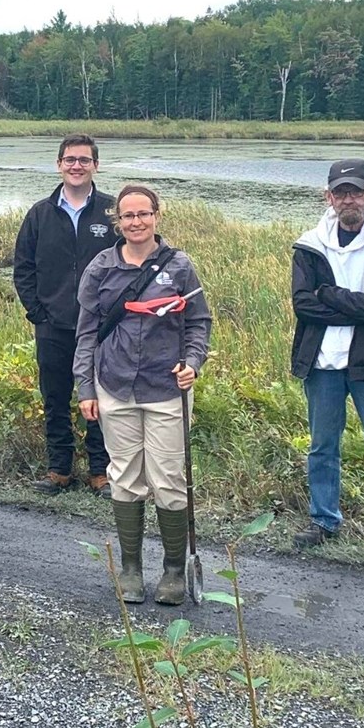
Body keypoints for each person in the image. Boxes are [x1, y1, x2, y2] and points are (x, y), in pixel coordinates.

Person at [75, 185, 212, 606]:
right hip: (114, 386)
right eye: (127, 215)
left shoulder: (180, 267)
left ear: (157, 215)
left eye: (144, 214)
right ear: (117, 220)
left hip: (166, 388)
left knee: (169, 480)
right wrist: (86, 387)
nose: (136, 222)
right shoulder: (101, 268)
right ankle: (131, 569)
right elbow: (85, 332)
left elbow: (199, 323)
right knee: (125, 478)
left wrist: (192, 362)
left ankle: (172, 571)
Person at [289, 158, 364, 566]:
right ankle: (324, 521)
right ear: (328, 197)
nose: (348, 200)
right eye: (340, 192)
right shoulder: (310, 244)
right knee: (323, 447)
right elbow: (304, 305)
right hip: (323, 362)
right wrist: (362, 303)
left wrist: (330, 295)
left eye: (356, 192)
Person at [13, 134, 118, 497]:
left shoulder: (111, 212)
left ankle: (100, 471)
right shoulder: (40, 214)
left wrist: (115, 314)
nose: (76, 166)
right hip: (52, 324)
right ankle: (59, 469)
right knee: (55, 397)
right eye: (70, 159)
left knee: (100, 398)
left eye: (84, 160)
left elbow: (134, 260)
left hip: (102, 327)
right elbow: (23, 268)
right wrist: (37, 312)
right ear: (59, 164)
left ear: (95, 166)